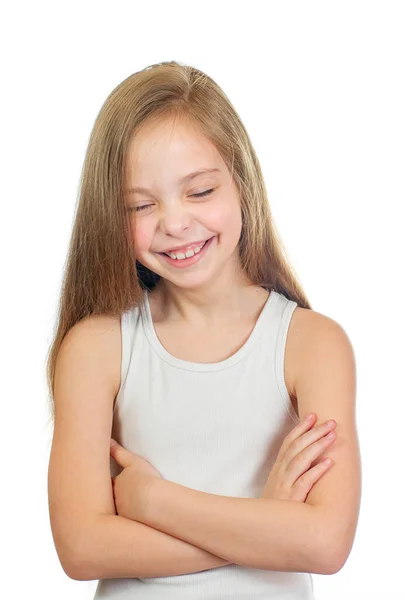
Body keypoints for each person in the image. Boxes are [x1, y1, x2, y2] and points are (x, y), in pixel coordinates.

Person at [46, 61, 361, 599]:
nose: (174, 222)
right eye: (142, 205)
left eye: (199, 191)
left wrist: (154, 503)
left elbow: (326, 542)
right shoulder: (97, 348)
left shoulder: (312, 344)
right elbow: (80, 547)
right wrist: (266, 523)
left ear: (241, 181)